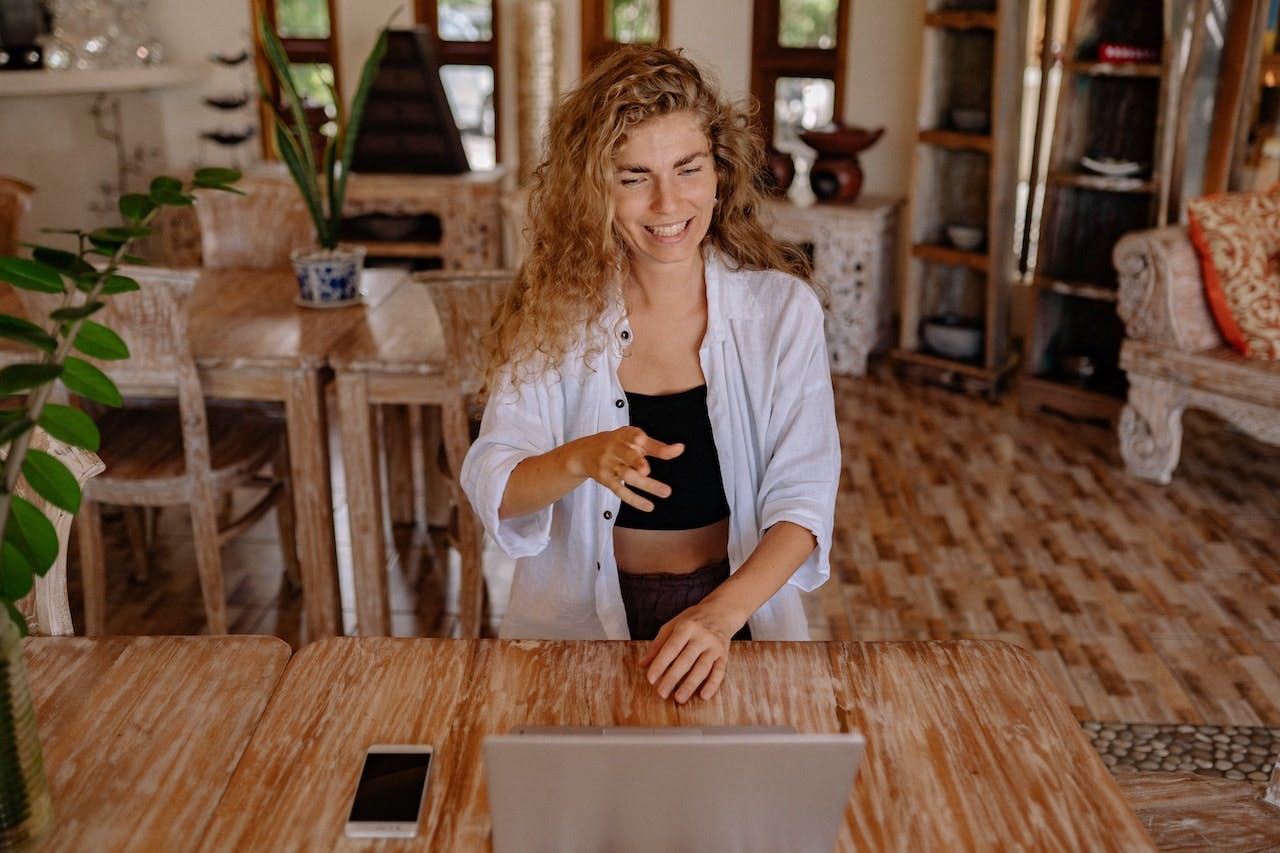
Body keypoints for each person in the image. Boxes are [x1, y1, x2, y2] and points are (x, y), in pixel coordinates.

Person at [460, 45, 839, 705]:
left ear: (720, 173)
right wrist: (581, 457)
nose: (668, 202)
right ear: (595, 188)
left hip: (734, 613)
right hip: (578, 626)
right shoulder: (555, 314)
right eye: (634, 176)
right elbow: (497, 485)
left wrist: (721, 615)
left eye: (688, 168)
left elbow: (804, 503)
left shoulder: (783, 312)